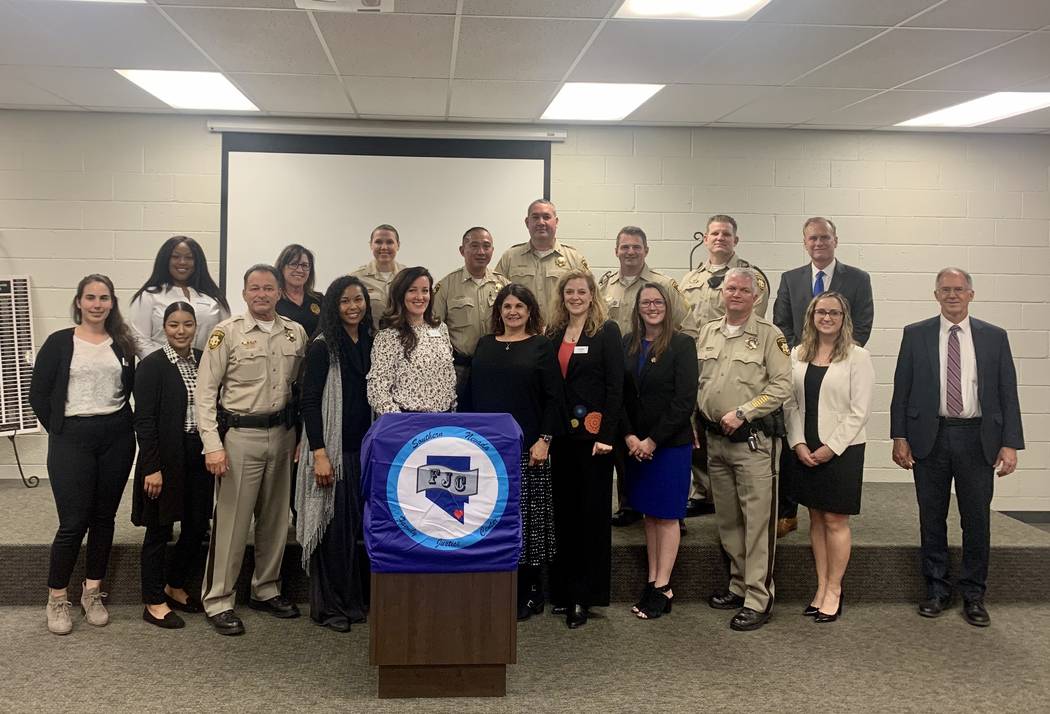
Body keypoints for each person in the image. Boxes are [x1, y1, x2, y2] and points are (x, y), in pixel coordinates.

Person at [891, 268, 1023, 628]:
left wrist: (1011, 443)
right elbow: (901, 389)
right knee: (931, 517)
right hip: (928, 437)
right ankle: (936, 590)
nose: (952, 295)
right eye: (945, 290)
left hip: (978, 438)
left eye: (959, 289)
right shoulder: (915, 334)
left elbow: (1008, 393)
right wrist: (898, 436)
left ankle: (974, 595)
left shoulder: (994, 337)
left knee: (976, 520)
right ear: (936, 295)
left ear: (971, 294)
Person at [196, 264, 307, 636]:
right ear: (244, 293)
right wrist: (212, 446)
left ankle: (266, 589)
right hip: (240, 437)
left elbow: (303, 391)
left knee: (276, 521)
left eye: (269, 288)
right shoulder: (225, 334)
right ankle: (218, 600)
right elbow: (205, 394)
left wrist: (302, 438)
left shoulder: (296, 333)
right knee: (231, 524)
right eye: (254, 288)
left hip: (283, 434)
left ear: (279, 293)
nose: (262, 294)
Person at [30, 274, 137, 635]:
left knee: (104, 519)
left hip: (117, 438)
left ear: (112, 302)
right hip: (71, 438)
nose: (96, 304)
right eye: (90, 297)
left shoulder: (122, 342)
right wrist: (59, 429)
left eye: (103, 297)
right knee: (73, 522)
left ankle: (92, 592)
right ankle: (57, 598)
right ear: (78, 302)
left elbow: (129, 388)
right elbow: (38, 393)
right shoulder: (59, 342)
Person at [696, 267, 791, 632]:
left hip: (752, 442)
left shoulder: (770, 336)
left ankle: (758, 597)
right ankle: (738, 585)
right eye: (730, 288)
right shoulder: (708, 332)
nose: (735, 294)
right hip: (715, 442)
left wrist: (744, 412)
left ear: (755, 297)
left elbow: (782, 386)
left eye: (743, 290)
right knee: (728, 521)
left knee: (757, 524)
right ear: (723, 294)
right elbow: (701, 383)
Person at [773, 216, 874, 538]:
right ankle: (788, 513)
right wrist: (802, 356)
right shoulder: (791, 278)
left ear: (835, 241)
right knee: (795, 438)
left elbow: (863, 324)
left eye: (824, 238)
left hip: (840, 367)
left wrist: (836, 356)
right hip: (802, 365)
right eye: (812, 238)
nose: (819, 243)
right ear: (805, 243)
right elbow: (782, 323)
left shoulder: (857, 279)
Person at [470, 284, 562, 621]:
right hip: (485, 452)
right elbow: (470, 395)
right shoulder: (484, 344)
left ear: (529, 311)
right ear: (499, 311)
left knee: (528, 522)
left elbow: (554, 397)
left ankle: (531, 591)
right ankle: (495, 588)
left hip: (528, 449)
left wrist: (545, 440)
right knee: (489, 520)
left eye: (519, 306)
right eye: (507, 306)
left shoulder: (541, 346)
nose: (512, 312)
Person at [783, 292, 874, 623]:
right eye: (821, 311)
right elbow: (789, 403)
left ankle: (835, 589)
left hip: (842, 451)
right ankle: (820, 587)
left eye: (834, 312)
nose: (827, 317)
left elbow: (859, 411)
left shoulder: (857, 356)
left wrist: (829, 448)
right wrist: (798, 443)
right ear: (811, 316)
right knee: (816, 519)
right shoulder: (798, 353)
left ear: (844, 317)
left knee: (835, 520)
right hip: (804, 449)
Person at [600, 225, 697, 529]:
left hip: (662, 374)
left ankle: (673, 512)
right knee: (624, 441)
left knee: (666, 446)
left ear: (646, 250)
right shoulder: (605, 286)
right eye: (624, 247)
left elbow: (688, 326)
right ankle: (630, 504)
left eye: (636, 247)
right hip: (625, 372)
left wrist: (671, 360)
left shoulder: (663, 285)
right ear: (617, 250)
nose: (630, 252)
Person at [545, 269, 623, 629]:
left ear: (593, 295)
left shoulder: (605, 332)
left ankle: (584, 596)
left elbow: (614, 386)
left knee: (590, 517)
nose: (575, 297)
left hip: (594, 441)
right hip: (561, 439)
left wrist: (607, 434)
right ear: (562, 296)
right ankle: (563, 591)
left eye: (582, 291)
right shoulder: (554, 333)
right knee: (564, 515)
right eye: (569, 292)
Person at [296, 276, 374, 632]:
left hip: (362, 450)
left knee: (352, 531)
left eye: (358, 299)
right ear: (333, 306)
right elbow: (309, 402)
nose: (353, 306)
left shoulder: (370, 343)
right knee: (332, 533)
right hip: (332, 453)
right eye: (345, 301)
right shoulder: (322, 347)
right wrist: (320, 453)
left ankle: (352, 601)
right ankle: (329, 608)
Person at [681, 214, 770, 520]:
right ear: (705, 239)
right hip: (698, 358)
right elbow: (683, 321)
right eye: (714, 233)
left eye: (726, 234)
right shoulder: (690, 279)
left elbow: (749, 317)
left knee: (728, 425)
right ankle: (703, 491)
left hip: (734, 359)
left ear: (736, 240)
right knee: (697, 422)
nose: (720, 238)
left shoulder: (750, 277)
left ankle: (727, 490)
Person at [619, 283, 698, 620]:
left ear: (668, 306)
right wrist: (630, 437)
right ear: (637, 308)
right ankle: (653, 579)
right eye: (645, 302)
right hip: (636, 446)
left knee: (666, 516)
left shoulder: (682, 344)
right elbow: (620, 394)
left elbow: (684, 401)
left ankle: (664, 586)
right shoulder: (628, 343)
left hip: (668, 446)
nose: (652, 307)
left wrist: (652, 441)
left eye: (658, 301)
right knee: (649, 516)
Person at [131, 302, 211, 630]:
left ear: (196, 327)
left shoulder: (204, 359)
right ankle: (153, 600)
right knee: (160, 529)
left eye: (188, 324)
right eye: (174, 325)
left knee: (196, 526)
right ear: (164, 328)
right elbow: (144, 420)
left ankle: (174, 586)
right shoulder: (152, 366)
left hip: (199, 453)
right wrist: (151, 467)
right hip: (164, 456)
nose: (181, 331)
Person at [432, 226, 508, 405]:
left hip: (496, 366)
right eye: (474, 246)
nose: (481, 251)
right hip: (460, 368)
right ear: (462, 250)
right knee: (459, 417)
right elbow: (434, 330)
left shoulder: (504, 285)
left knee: (491, 413)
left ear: (492, 250)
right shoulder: (446, 286)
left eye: (486, 246)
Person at [366, 266, 456, 414]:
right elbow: (377, 390)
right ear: (400, 294)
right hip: (408, 421)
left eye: (425, 290)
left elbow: (448, 377)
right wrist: (400, 423)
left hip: (443, 420)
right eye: (412, 290)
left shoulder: (441, 329)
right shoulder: (388, 337)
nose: (420, 297)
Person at [128, 235, 230, 358]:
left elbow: (225, 336)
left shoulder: (213, 297)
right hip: (160, 371)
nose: (182, 262)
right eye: (175, 257)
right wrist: (164, 365)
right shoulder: (149, 296)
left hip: (206, 370)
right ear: (165, 259)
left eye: (189, 257)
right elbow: (139, 340)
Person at [495, 199, 589, 311]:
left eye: (546, 217)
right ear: (527, 222)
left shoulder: (574, 258)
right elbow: (498, 298)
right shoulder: (510, 258)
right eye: (535, 217)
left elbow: (588, 297)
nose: (541, 222)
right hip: (522, 328)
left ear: (556, 221)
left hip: (562, 327)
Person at [351, 224, 406, 331]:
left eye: (390, 242)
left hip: (404, 341)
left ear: (398, 245)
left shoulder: (408, 277)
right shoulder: (355, 279)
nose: (384, 247)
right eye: (378, 242)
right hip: (369, 342)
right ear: (371, 245)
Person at [275, 243, 323, 337]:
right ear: (282, 268)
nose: (300, 270)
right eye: (293, 264)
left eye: (305, 265)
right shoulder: (274, 301)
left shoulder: (319, 299)